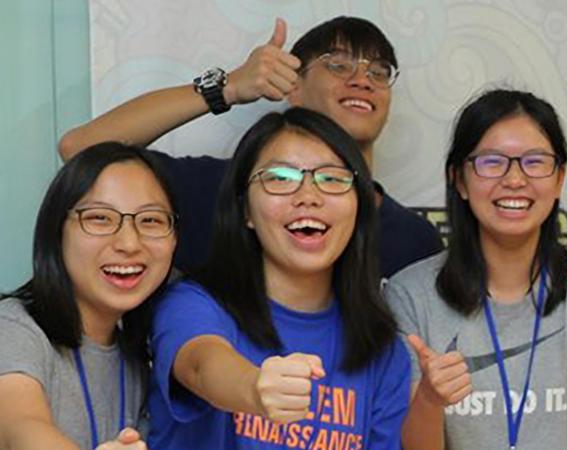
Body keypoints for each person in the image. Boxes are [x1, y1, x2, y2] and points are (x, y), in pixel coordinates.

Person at [386, 89, 567, 449]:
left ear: (559, 178)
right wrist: (430, 399)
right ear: (459, 179)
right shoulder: (411, 294)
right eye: (492, 162)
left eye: (535, 161)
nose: (515, 179)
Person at [57, 16, 441, 278]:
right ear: (293, 85)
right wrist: (226, 88)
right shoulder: (219, 190)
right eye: (338, 65)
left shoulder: (414, 240)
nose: (362, 79)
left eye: (378, 71)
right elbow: (81, 148)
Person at [146, 108, 410, 449]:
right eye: (280, 178)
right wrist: (254, 388)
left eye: (331, 178)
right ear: (245, 211)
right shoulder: (194, 304)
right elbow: (201, 366)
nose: (308, 197)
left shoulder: (382, 347)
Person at [0, 144, 177, 450]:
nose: (129, 242)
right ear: (56, 231)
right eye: (99, 218)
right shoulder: (14, 326)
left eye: (150, 220)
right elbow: (20, 428)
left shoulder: (137, 358)